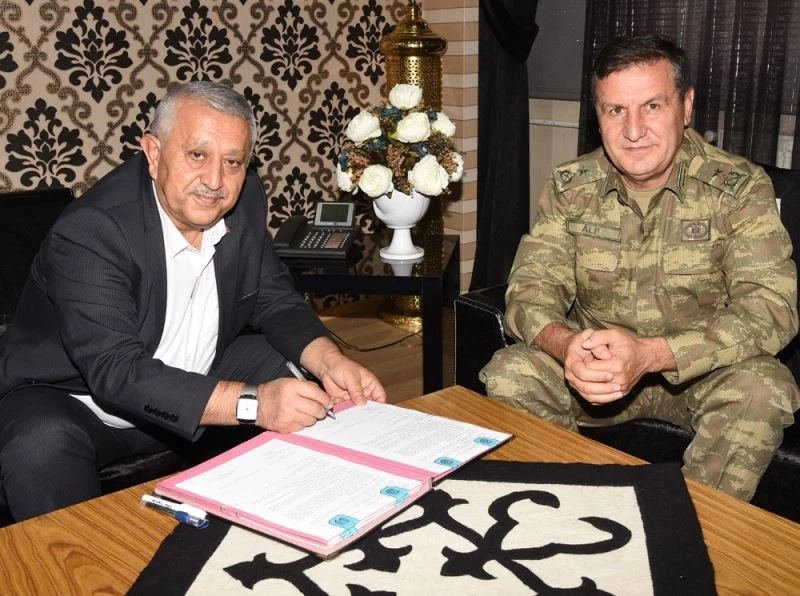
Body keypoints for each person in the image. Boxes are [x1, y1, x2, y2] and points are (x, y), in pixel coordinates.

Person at [0, 81, 386, 521]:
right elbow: (116, 370)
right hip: (79, 401)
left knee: (297, 372)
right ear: (153, 152)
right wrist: (254, 403)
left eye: (233, 162)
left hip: (194, 370)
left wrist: (330, 361)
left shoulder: (244, 201)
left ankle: (322, 511)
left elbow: (275, 299)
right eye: (197, 155)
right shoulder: (94, 230)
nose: (215, 181)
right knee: (37, 442)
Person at [481, 34, 800, 501]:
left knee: (762, 388)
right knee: (511, 372)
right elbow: (531, 289)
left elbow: (771, 307)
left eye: (652, 106)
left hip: (701, 376)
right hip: (595, 375)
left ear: (685, 107)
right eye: (616, 110)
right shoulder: (572, 188)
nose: (633, 131)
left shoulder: (740, 189)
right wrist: (567, 346)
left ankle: (694, 524)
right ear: (599, 117)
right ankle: (573, 505)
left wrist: (652, 354)